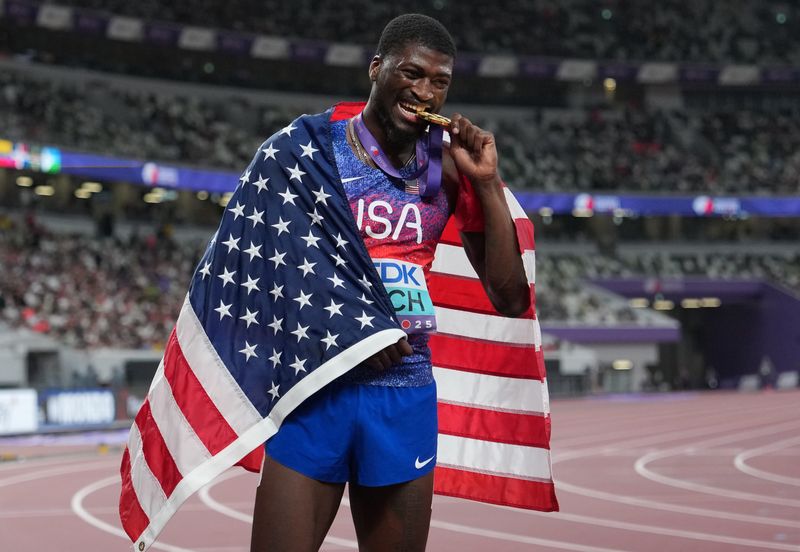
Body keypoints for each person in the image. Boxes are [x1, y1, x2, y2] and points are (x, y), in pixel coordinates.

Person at [250, 13, 530, 552]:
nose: (424, 90)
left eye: (439, 81)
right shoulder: (312, 152)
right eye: (412, 73)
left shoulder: (448, 167)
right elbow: (268, 270)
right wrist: (353, 327)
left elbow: (510, 297)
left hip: (402, 398)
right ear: (376, 69)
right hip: (316, 388)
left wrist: (488, 183)